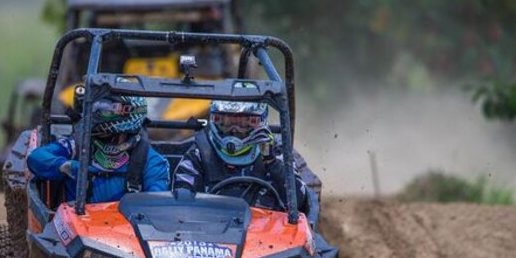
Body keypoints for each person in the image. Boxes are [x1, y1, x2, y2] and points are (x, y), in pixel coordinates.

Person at [27, 95, 169, 202]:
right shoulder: (77, 145)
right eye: (98, 107)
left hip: (125, 231)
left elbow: (156, 204)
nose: (98, 112)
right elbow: (36, 157)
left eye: (108, 108)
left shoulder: (151, 161)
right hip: (74, 227)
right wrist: (63, 166)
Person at [173, 100, 308, 210]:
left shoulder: (275, 153)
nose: (234, 131)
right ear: (215, 120)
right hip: (211, 229)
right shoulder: (199, 154)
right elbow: (181, 202)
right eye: (227, 123)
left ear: (258, 124)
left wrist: (271, 162)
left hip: (265, 233)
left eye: (243, 123)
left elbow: (299, 200)